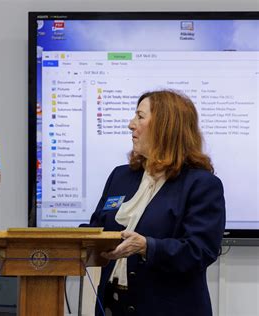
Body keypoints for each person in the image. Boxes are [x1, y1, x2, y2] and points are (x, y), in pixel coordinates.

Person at [85, 90, 225, 316]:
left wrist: (147, 246)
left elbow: (200, 251)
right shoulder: (120, 176)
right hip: (112, 305)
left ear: (165, 126)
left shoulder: (201, 184)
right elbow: (97, 228)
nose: (131, 125)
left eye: (140, 117)